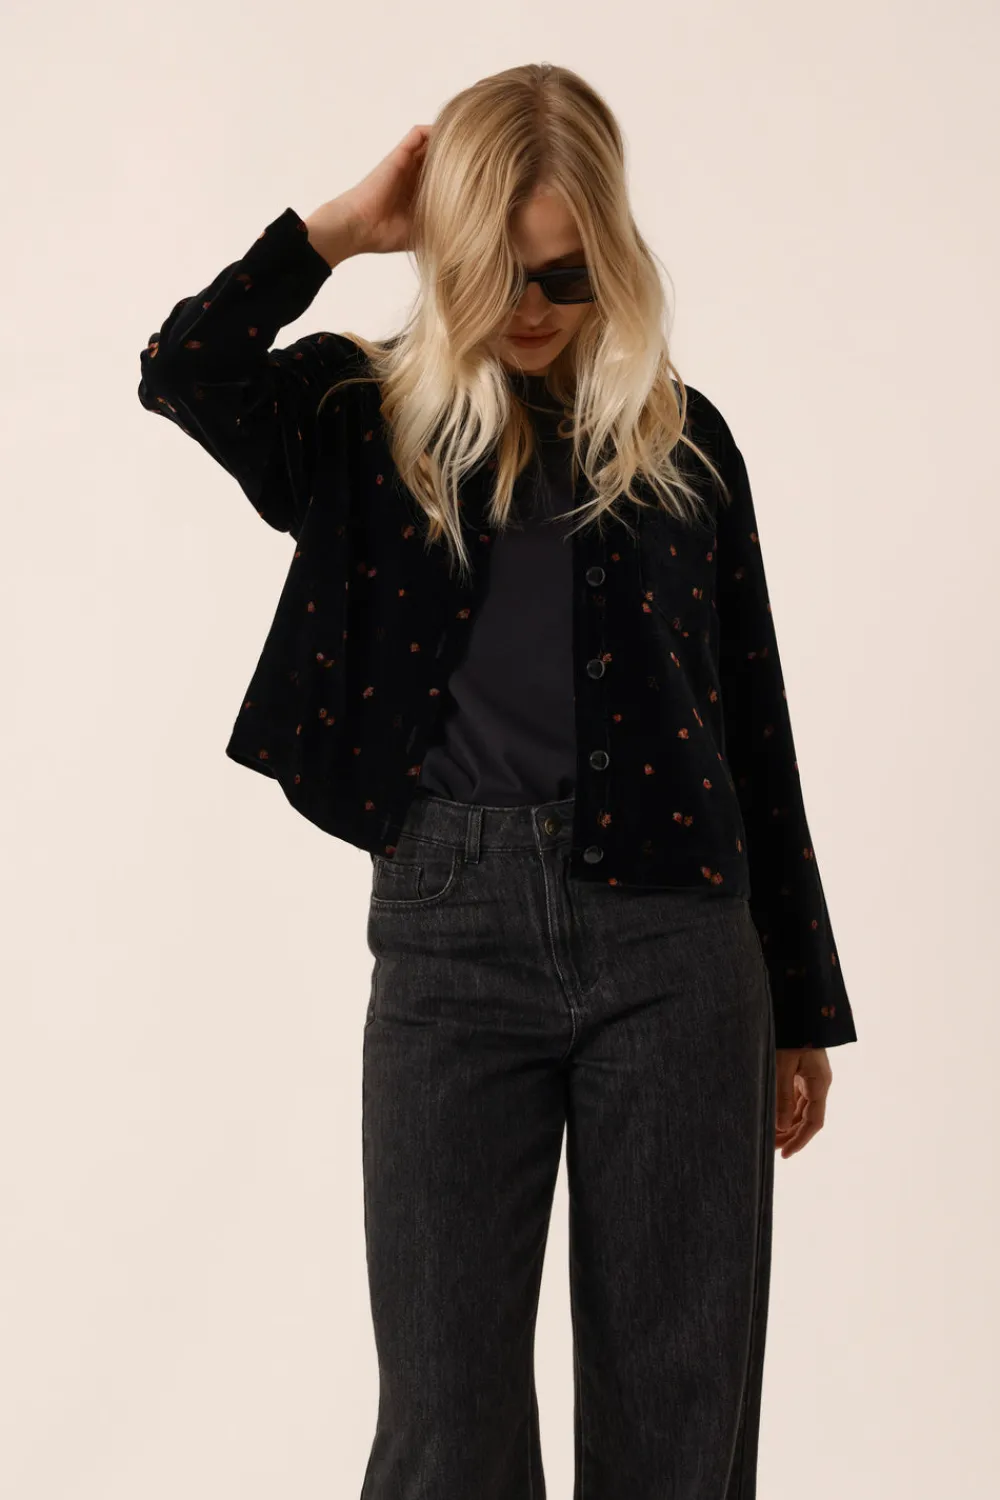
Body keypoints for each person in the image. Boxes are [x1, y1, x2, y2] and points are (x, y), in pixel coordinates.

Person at [138, 61, 857, 1500]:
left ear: (616, 258)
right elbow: (184, 369)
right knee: (444, 1429)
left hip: (678, 947)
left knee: (678, 1425)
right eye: (497, 271)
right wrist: (338, 232)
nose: (533, 306)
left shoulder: (684, 443)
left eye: (568, 275)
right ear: (449, 255)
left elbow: (755, 727)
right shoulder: (363, 421)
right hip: (447, 947)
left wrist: (801, 1003)